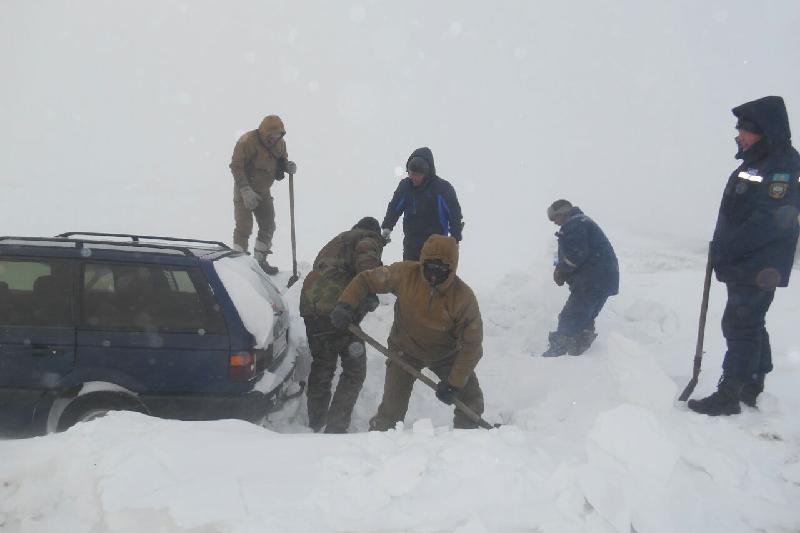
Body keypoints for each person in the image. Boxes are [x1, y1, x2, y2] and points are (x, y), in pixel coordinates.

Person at [688, 96, 800, 416]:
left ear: (764, 131)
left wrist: (728, 247)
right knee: (749, 322)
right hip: (749, 262)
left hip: (757, 263)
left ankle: (730, 393)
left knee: (740, 325)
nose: (739, 134)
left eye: (745, 129)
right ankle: (752, 383)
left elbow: (770, 221)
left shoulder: (781, 166)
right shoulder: (759, 162)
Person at [329, 234, 485, 430]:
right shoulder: (405, 274)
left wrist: (454, 383)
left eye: (441, 270)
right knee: (391, 410)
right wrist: (346, 304)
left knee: (471, 401)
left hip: (445, 355)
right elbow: (366, 280)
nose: (434, 276)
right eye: (429, 268)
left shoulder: (463, 298)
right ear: (421, 263)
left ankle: (464, 446)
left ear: (452, 269)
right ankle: (377, 445)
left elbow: (472, 346)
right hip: (404, 351)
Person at [298, 217, 386, 433]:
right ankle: (336, 427)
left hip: (312, 307)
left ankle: (316, 422)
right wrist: (371, 291)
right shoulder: (367, 239)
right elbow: (367, 267)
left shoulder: (338, 241)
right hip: (337, 309)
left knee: (322, 364)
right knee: (354, 369)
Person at [541, 200, 619, 357]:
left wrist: (561, 270)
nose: (554, 222)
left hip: (591, 282)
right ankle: (579, 353)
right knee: (584, 318)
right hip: (604, 281)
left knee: (569, 317)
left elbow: (575, 255)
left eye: (554, 217)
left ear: (562, 213)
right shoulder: (582, 222)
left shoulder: (574, 224)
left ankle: (556, 354)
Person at [229, 115, 297, 275]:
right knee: (244, 227)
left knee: (268, 225)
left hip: (264, 190)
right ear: (264, 133)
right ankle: (240, 265)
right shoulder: (247, 141)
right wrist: (245, 190)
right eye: (271, 136)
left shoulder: (280, 144)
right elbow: (236, 166)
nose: (274, 139)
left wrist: (287, 166)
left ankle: (260, 261)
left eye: (277, 136)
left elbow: (281, 160)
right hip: (244, 190)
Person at [381, 147, 464, 261]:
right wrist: (387, 227)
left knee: (431, 277)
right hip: (411, 244)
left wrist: (455, 238)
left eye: (416, 174)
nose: (412, 177)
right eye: (410, 173)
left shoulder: (442, 188)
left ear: (426, 173)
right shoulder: (405, 186)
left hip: (436, 245)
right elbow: (394, 208)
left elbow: (454, 214)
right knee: (410, 277)